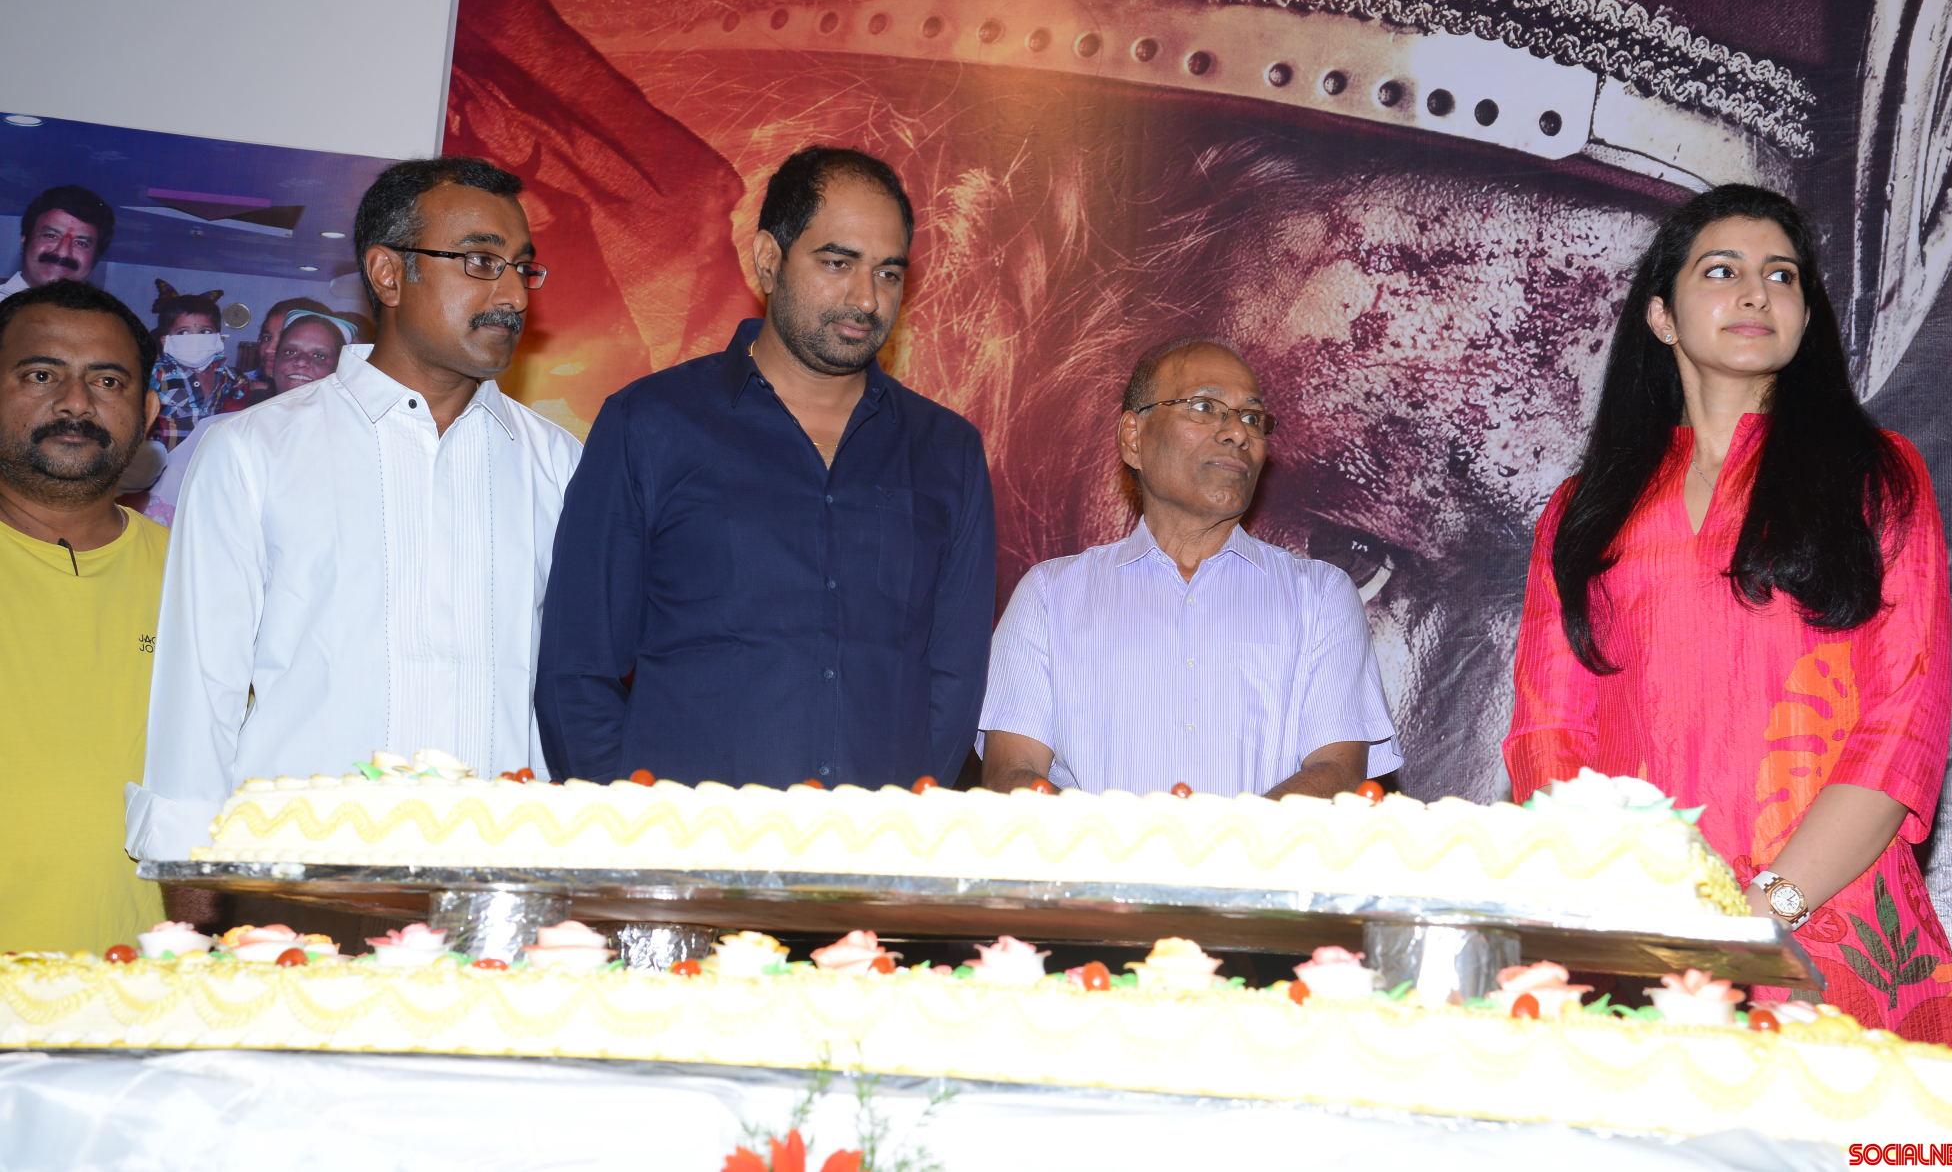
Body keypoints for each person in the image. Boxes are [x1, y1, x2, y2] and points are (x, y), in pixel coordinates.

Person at [1503, 185, 1952, 1042]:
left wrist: (1762, 912)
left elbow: (1903, 722)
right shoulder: (1584, 511)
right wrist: (1645, 907)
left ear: (1805, 317)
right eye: (1723, 271)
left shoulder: (1876, 477)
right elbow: (1549, 733)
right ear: (1662, 316)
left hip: (1828, 927)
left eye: (1782, 275)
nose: (1757, 291)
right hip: (1640, 936)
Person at [127, 157, 582, 861]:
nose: (515, 295)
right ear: (388, 273)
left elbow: (576, 688)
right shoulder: (252, 450)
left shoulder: (559, 463)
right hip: (301, 873)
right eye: (480, 262)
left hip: (503, 872)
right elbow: (200, 684)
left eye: (523, 267)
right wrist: (191, 867)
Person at [536, 146, 996, 789]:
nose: (866, 299)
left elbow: (954, 679)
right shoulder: (651, 424)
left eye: (888, 273)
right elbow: (577, 668)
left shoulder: (947, 452)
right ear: (768, 259)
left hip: (876, 841)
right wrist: (630, 827)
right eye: (837, 263)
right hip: (682, 843)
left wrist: (903, 824)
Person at [979, 338, 1401, 797]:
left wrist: (1225, 842)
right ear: (1133, 438)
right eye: (1204, 407)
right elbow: (1012, 774)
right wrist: (1116, 843)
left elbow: (1338, 772)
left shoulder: (1320, 595)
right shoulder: (1050, 595)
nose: (1238, 433)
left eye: (1252, 417)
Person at [0, 280, 166, 948]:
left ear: (148, 412)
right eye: (42, 375)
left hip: (147, 988)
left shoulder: (205, 578)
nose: (76, 402)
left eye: (107, 381)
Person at [140, 310, 360, 528]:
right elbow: (166, 515)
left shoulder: (355, 441)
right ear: (275, 363)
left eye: (319, 356)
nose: (301, 361)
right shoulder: (222, 431)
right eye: (290, 352)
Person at [147, 285, 252, 450]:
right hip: (162, 462)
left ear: (218, 338)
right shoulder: (155, 374)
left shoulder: (232, 379)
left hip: (208, 461)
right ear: (165, 340)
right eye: (183, 332)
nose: (195, 339)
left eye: (205, 332)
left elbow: (236, 423)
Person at [3, 185, 116, 297]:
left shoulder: (104, 309)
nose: (62, 253)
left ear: (96, 257)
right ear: (24, 239)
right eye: (51, 236)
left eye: (81, 243)